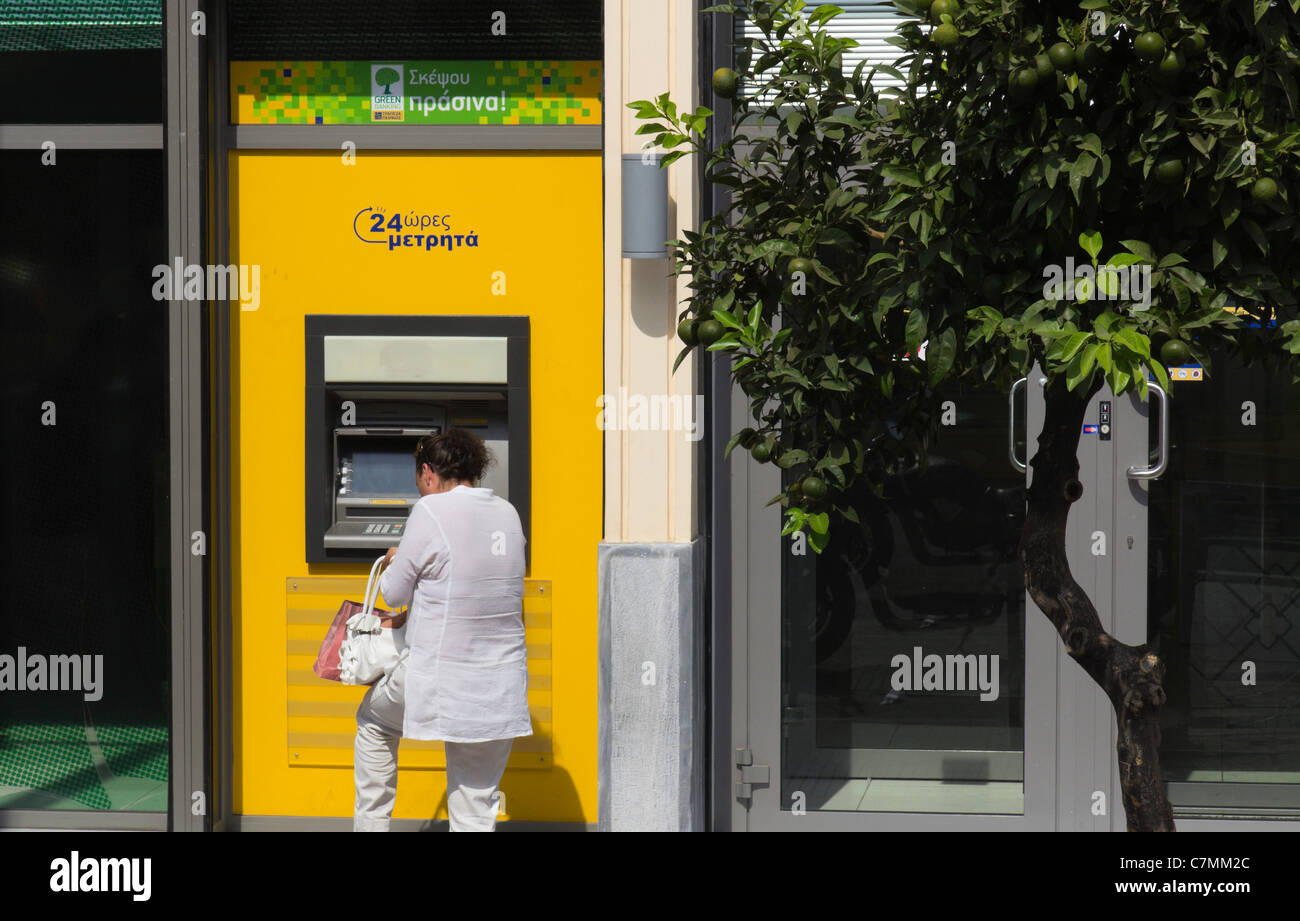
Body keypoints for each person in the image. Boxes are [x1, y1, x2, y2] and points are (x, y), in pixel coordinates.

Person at [353, 428, 531, 832]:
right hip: (501, 686)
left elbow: (394, 590)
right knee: (474, 811)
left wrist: (397, 558)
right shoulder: (508, 512)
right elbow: (470, 587)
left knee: (374, 723)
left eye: (418, 480)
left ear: (428, 472)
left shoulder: (430, 511)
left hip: (441, 679)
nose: (419, 489)